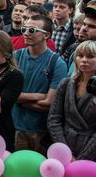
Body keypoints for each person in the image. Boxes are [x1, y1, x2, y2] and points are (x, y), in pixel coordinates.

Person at [12, 15, 67, 153]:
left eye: (32, 30)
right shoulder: (15, 56)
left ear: (46, 35)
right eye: (24, 29)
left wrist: (18, 100)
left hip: (40, 130)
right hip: (13, 125)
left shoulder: (56, 63)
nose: (25, 33)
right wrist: (39, 96)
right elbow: (5, 94)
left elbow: (50, 103)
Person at [47, 41, 96, 162]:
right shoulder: (66, 83)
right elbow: (53, 119)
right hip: (63, 147)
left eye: (90, 56)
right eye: (80, 55)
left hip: (91, 153)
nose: (84, 60)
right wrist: (65, 153)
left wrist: (82, 159)